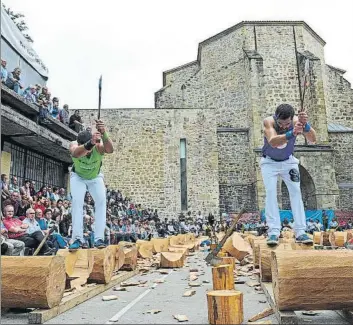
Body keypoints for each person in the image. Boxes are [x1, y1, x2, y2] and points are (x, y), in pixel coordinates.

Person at [261, 104, 316, 246]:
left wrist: (305, 125)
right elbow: (273, 141)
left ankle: (301, 232)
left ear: (292, 119)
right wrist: (292, 133)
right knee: (271, 193)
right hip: (269, 163)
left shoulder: (297, 121)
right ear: (276, 118)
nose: (284, 126)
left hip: (289, 162)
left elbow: (313, 139)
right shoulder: (269, 122)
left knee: (296, 192)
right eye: (281, 123)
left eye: (287, 124)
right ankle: (273, 232)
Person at [68, 120, 114, 250]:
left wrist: (104, 133)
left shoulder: (98, 147)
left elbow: (110, 149)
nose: (87, 152)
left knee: (101, 201)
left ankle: (99, 238)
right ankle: (77, 238)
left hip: (95, 177)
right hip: (78, 177)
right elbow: (76, 153)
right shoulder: (74, 145)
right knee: (77, 202)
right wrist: (89, 144)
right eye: (86, 148)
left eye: (89, 149)